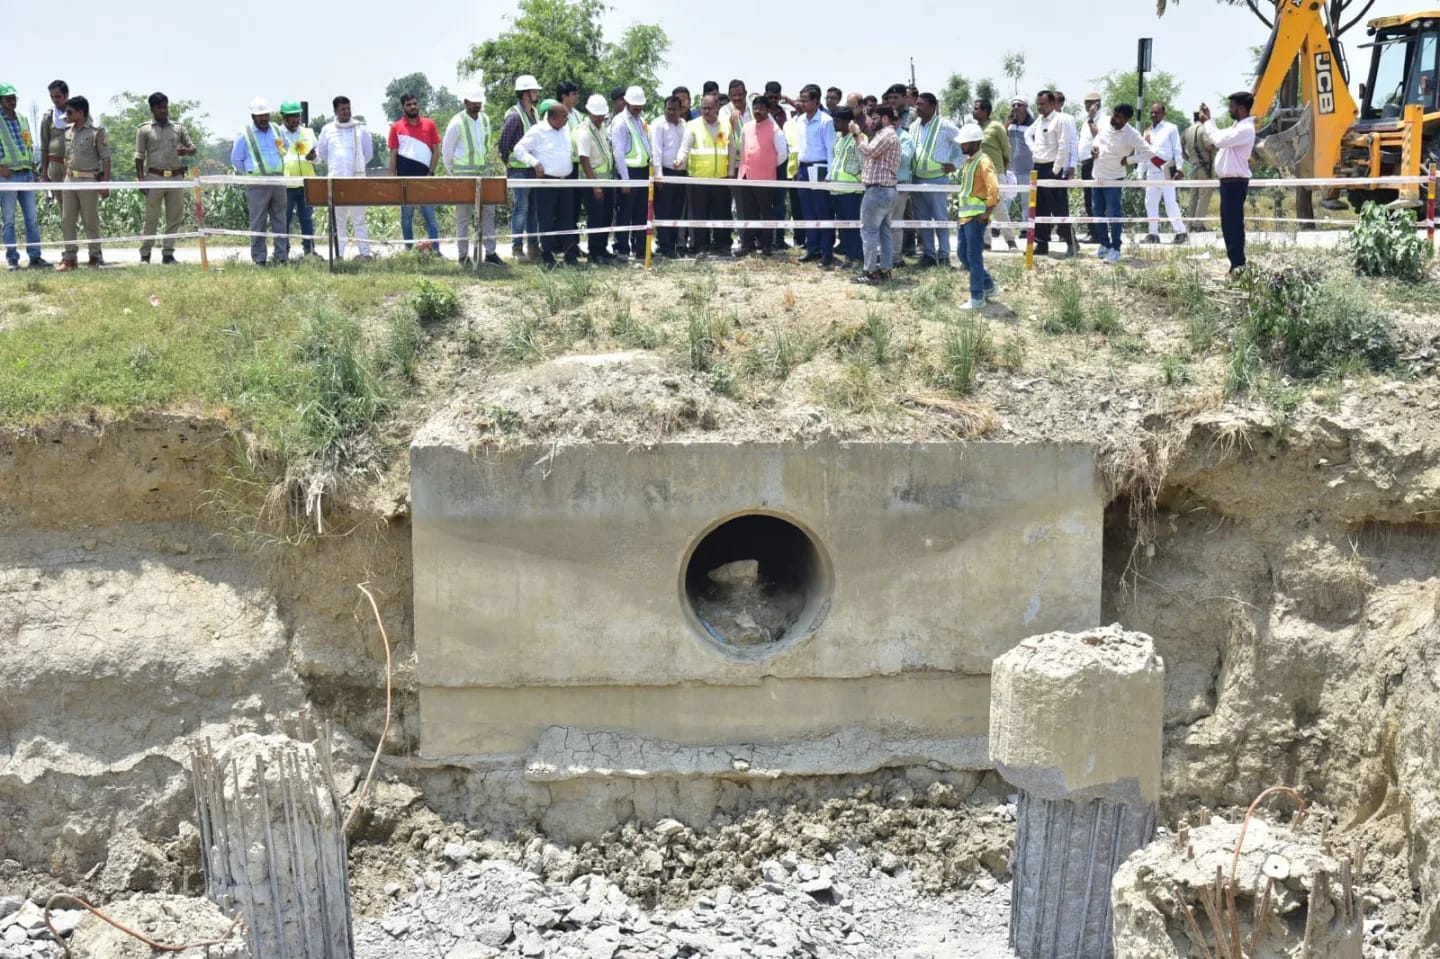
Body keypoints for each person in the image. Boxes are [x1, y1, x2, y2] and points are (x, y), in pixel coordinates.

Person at [132, 92, 195, 265]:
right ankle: (145, 254)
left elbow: (192, 148)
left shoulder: (178, 128)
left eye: (165, 106)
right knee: (151, 217)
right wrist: (141, 180)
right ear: (152, 109)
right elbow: (139, 156)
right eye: (159, 107)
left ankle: (168, 253)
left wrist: (186, 151)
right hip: (154, 176)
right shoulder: (144, 129)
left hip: (175, 176)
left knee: (174, 217)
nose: (163, 110)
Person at [444, 88, 503, 267]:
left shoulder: (485, 120)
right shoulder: (457, 122)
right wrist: (452, 175)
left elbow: (485, 147)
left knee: (488, 213)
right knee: (463, 216)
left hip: (484, 173)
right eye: (473, 103)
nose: (477, 105)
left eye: (479, 103)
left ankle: (490, 253)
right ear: (465, 102)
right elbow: (447, 150)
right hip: (463, 175)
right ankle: (463, 256)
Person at [513, 102, 577, 268]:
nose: (567, 119)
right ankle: (547, 255)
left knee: (567, 219)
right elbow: (519, 149)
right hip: (547, 182)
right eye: (564, 117)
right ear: (553, 117)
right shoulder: (538, 130)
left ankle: (570, 254)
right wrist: (535, 163)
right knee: (546, 219)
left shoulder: (565, 129)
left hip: (565, 181)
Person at [1089, 103, 1154, 264]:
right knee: (1097, 211)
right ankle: (1103, 244)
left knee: (1113, 213)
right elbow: (1097, 140)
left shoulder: (1131, 134)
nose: (1114, 118)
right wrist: (1094, 149)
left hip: (1115, 177)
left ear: (1126, 119)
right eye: (1114, 114)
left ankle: (1115, 248)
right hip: (1097, 175)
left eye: (1119, 117)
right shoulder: (1105, 124)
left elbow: (1150, 152)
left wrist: (1130, 160)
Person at [1201, 92, 1256, 274]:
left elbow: (1218, 139)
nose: (1229, 109)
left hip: (1235, 183)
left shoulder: (1245, 129)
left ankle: (1238, 265)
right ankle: (1236, 263)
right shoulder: (1238, 127)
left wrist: (1207, 123)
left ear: (1241, 108)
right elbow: (1220, 135)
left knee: (1233, 225)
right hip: (1229, 183)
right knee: (1229, 224)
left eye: (1232, 106)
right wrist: (1210, 120)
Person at [230, 98, 287, 266]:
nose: (263, 119)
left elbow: (284, 149)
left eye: (266, 115)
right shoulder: (244, 133)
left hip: (278, 180)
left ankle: (281, 256)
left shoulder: (277, 130)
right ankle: (259, 258)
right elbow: (236, 159)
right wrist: (250, 173)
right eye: (259, 116)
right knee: (258, 221)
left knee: (280, 220)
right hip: (257, 182)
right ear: (253, 116)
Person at [317, 95, 374, 260]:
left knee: (359, 220)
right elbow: (322, 154)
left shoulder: (360, 128)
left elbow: (368, 154)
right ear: (335, 111)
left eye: (348, 108)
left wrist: (355, 167)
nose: (346, 112)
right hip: (336, 182)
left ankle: (365, 254)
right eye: (342, 109)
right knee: (338, 221)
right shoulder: (327, 129)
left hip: (357, 181)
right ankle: (339, 255)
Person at [56, 96, 110, 271]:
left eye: (70, 112)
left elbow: (106, 159)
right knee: (67, 219)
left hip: (88, 180)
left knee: (90, 220)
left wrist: (104, 184)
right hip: (70, 180)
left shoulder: (96, 131)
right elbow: (67, 157)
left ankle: (95, 256)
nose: (67, 115)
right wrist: (65, 177)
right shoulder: (69, 131)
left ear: (81, 113)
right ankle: (69, 257)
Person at [678, 93, 734, 257]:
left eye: (710, 108)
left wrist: (731, 172)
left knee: (722, 213)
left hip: (721, 178)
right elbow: (685, 147)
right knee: (699, 214)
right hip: (698, 179)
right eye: (704, 108)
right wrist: (680, 159)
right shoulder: (692, 125)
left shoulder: (725, 125)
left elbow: (730, 149)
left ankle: (722, 245)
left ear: (717, 108)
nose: (706, 111)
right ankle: (700, 246)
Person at [851, 104, 901, 284]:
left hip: (878, 190)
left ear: (885, 119)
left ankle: (870, 272)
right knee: (884, 231)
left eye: (875, 118)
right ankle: (885, 269)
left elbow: (868, 152)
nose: (871, 121)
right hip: (887, 190)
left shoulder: (886, 135)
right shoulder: (887, 135)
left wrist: (857, 134)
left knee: (869, 231)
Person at [909, 92, 960, 268]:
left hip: (937, 179)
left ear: (933, 107)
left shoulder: (945, 125)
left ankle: (944, 255)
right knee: (922, 220)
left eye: (921, 104)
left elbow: (965, 144)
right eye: (917, 104)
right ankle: (929, 254)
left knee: (940, 218)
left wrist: (956, 163)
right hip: (916, 179)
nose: (917, 108)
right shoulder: (914, 125)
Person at [0, 82, 47, 270]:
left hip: (27, 174)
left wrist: (34, 170)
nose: (12, 101)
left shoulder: (22, 118)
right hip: (8, 176)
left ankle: (35, 257)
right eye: (8, 98)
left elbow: (28, 145)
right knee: (9, 220)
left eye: (14, 98)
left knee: (32, 219)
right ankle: (13, 259)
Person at [953, 123, 999, 310]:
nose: (961, 146)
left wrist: (987, 213)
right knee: (963, 254)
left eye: (964, 143)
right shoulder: (971, 161)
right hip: (965, 217)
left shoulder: (983, 161)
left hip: (975, 218)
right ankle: (988, 285)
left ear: (974, 143)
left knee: (974, 257)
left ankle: (977, 297)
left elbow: (993, 189)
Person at [388, 93, 442, 255]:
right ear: (402, 107)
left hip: (425, 179)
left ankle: (436, 251)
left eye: (414, 103)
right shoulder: (396, 127)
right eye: (409, 104)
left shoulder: (429, 124)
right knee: (406, 218)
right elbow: (393, 154)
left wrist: (430, 173)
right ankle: (409, 251)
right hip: (404, 181)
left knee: (430, 218)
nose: (412, 107)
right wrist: (392, 179)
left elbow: (436, 151)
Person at [736, 95, 788, 256]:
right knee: (747, 211)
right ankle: (747, 244)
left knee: (765, 212)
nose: (757, 111)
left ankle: (766, 245)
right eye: (755, 108)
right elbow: (743, 148)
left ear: (767, 110)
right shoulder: (747, 127)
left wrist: (767, 164)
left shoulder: (775, 130)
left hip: (765, 177)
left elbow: (783, 155)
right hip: (745, 175)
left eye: (761, 108)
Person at [499, 75, 543, 263]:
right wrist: (510, 165)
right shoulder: (515, 116)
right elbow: (504, 144)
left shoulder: (534, 113)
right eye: (534, 91)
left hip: (533, 169)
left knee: (533, 210)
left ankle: (533, 247)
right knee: (521, 209)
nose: (536, 93)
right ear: (525, 93)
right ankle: (517, 247)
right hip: (519, 170)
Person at [1028, 89, 1076, 256]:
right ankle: (1041, 244)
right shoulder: (1040, 121)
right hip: (1038, 168)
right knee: (1039, 209)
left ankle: (1071, 242)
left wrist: (1056, 169)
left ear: (1052, 103)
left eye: (1043, 104)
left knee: (1059, 209)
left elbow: (1064, 145)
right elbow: (1030, 136)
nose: (1040, 107)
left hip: (1052, 169)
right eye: (1038, 104)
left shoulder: (1060, 119)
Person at [794, 84, 835, 265]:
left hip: (820, 167)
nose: (801, 103)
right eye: (800, 100)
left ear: (816, 101)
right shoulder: (800, 120)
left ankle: (827, 251)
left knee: (822, 210)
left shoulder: (826, 121)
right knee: (808, 210)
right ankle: (812, 248)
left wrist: (830, 173)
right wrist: (797, 168)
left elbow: (830, 149)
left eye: (805, 100)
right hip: (803, 168)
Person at [574, 93, 618, 263]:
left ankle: (602, 248)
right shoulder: (584, 132)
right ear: (590, 112)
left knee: (606, 216)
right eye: (598, 115)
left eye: (602, 116)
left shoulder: (601, 128)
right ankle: (594, 251)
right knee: (596, 218)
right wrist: (595, 185)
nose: (600, 118)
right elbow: (584, 160)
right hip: (592, 182)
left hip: (606, 180)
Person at [611, 86, 652, 261]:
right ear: (626, 102)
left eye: (640, 105)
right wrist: (625, 180)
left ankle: (641, 249)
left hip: (643, 172)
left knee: (641, 213)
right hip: (628, 173)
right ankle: (621, 249)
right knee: (625, 213)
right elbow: (618, 152)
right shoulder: (620, 121)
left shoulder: (640, 120)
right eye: (635, 105)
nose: (638, 108)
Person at [1142, 103, 1188, 244]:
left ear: (1163, 114)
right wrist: (1140, 173)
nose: (1153, 115)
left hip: (1166, 172)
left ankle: (1181, 233)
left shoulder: (1171, 128)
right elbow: (1143, 153)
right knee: (1150, 203)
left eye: (1156, 112)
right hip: (1151, 172)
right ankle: (1153, 234)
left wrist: (1180, 168)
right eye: (1151, 112)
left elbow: (1177, 149)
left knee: (1170, 203)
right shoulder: (1147, 132)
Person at [279, 101, 319, 258]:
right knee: (284, 219)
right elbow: (280, 155)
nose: (296, 119)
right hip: (286, 183)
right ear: (284, 117)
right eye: (292, 116)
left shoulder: (308, 133)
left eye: (298, 115)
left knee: (307, 218)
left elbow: (318, 158)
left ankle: (309, 251)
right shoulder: (277, 133)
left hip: (306, 183)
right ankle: (284, 252)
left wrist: (314, 157)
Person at [973, 98, 1014, 250]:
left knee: (999, 207)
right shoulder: (973, 129)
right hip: (978, 174)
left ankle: (1010, 240)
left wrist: (1003, 170)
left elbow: (1006, 150)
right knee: (981, 208)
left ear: (985, 111)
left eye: (976, 108)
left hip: (996, 172)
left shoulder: (996, 127)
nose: (973, 111)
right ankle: (986, 242)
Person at [650, 95, 688, 258]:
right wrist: (658, 176)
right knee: (663, 211)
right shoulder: (658, 124)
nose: (671, 112)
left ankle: (673, 245)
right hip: (664, 173)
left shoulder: (684, 124)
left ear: (681, 110)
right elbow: (656, 150)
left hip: (681, 174)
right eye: (669, 109)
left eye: (675, 109)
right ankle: (664, 246)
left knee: (676, 210)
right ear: (664, 109)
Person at [829, 107, 864, 267]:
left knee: (853, 228)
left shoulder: (858, 138)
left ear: (848, 122)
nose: (835, 123)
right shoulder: (838, 138)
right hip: (837, 190)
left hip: (851, 190)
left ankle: (857, 258)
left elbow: (864, 162)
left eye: (838, 120)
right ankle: (850, 257)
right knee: (843, 228)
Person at [1076, 93, 1105, 248]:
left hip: (1095, 161)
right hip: (1085, 162)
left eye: (1091, 103)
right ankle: (1092, 231)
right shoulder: (1086, 120)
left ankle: (1098, 233)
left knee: (1095, 200)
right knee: (1088, 198)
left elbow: (1098, 136)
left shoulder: (1102, 119)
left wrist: (1092, 119)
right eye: (1086, 103)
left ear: (1098, 104)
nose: (1087, 106)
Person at [1181, 106, 1216, 223]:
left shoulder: (1187, 130)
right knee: (1204, 195)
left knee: (1193, 196)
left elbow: (1179, 149)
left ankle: (1189, 224)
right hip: (1205, 167)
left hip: (1193, 165)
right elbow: (1209, 146)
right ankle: (1198, 224)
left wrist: (1189, 159)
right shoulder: (1203, 129)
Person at [38, 80, 70, 195]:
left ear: (66, 95)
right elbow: (44, 146)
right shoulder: (48, 117)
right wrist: (44, 175)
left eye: (58, 96)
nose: (55, 100)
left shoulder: (78, 112)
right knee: (63, 207)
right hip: (56, 167)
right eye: (52, 97)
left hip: (76, 167)